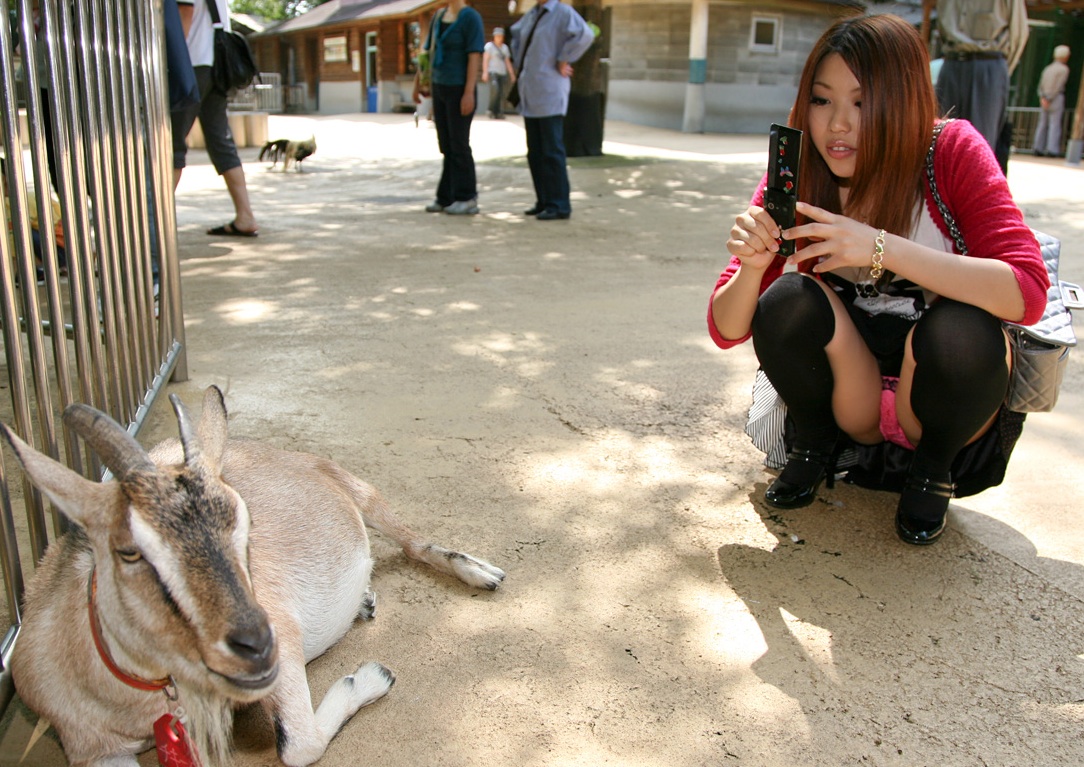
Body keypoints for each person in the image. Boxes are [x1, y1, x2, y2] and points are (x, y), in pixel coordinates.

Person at [707, 15, 1048, 545]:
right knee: (787, 298)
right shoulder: (802, 171)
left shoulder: (951, 150)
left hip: (938, 396)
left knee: (964, 328)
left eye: (861, 102)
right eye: (822, 101)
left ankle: (932, 472)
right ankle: (814, 448)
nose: (837, 124)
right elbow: (726, 328)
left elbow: (1025, 291)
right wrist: (753, 264)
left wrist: (880, 246)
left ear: (905, 100)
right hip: (852, 394)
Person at [173, 0, 259, 237]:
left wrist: (171, 64)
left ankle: (152, 225)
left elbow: (184, 16)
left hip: (192, 65)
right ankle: (245, 215)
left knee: (172, 145)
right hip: (218, 68)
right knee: (220, 139)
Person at [509, 0, 594, 221]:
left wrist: (564, 57)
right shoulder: (532, 14)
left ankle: (559, 204)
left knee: (551, 149)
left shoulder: (563, 12)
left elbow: (585, 35)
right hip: (530, 91)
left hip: (549, 89)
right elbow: (516, 35)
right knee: (535, 151)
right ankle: (544, 200)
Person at [935, 0, 1028, 171]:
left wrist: (998, 72)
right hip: (952, 62)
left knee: (980, 147)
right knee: (938, 140)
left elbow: (1019, 33)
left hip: (988, 62)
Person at [412, 0, 484, 216]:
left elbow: (474, 56)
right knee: (446, 145)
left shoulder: (470, 18)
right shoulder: (438, 16)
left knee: (459, 144)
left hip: (459, 88)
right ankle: (446, 196)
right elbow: (428, 53)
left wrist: (469, 92)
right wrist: (419, 83)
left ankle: (467, 197)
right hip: (439, 85)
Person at [1032, 45, 1071, 157]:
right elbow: (1058, 85)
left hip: (1044, 98)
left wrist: (1043, 97)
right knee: (1055, 125)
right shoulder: (1064, 69)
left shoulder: (1048, 68)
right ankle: (1052, 150)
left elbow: (1041, 85)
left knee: (1042, 124)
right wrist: (1050, 98)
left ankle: (1037, 147)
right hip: (1055, 98)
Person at [482, 27, 515, 119]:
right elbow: (485, 60)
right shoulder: (489, 46)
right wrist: (485, 72)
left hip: (502, 73)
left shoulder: (505, 48)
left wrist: (512, 74)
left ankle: (498, 112)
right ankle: (490, 109)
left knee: (501, 93)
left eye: (501, 36)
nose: (499, 38)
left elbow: (507, 62)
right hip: (493, 72)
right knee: (495, 90)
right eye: (497, 36)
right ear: (494, 37)